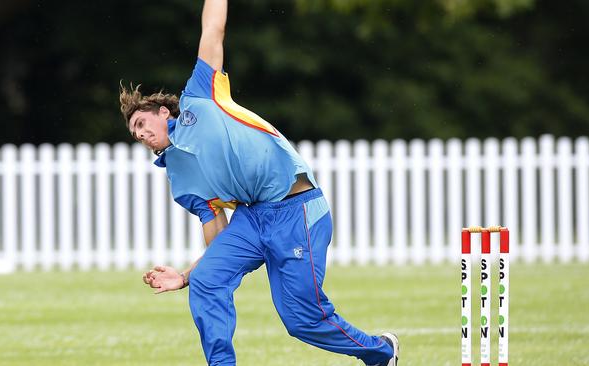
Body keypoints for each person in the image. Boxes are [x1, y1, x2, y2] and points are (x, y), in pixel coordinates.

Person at [119, 1, 399, 365]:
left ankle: (381, 353)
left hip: (297, 209)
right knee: (208, 282)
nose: (140, 134)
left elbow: (213, 29)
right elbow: (216, 232)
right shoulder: (179, 178)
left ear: (162, 112)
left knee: (301, 320)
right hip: (252, 220)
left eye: (142, 123)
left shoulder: (201, 98)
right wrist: (189, 276)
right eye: (133, 133)